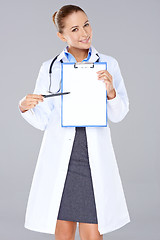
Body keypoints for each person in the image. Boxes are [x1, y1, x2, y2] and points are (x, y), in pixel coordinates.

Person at [18, 4, 131, 240]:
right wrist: (25, 107)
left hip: (92, 159)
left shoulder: (109, 64)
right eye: (75, 29)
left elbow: (119, 114)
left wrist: (110, 91)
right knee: (64, 232)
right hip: (63, 158)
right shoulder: (50, 68)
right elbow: (42, 121)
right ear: (62, 36)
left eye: (87, 24)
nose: (84, 33)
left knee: (92, 233)